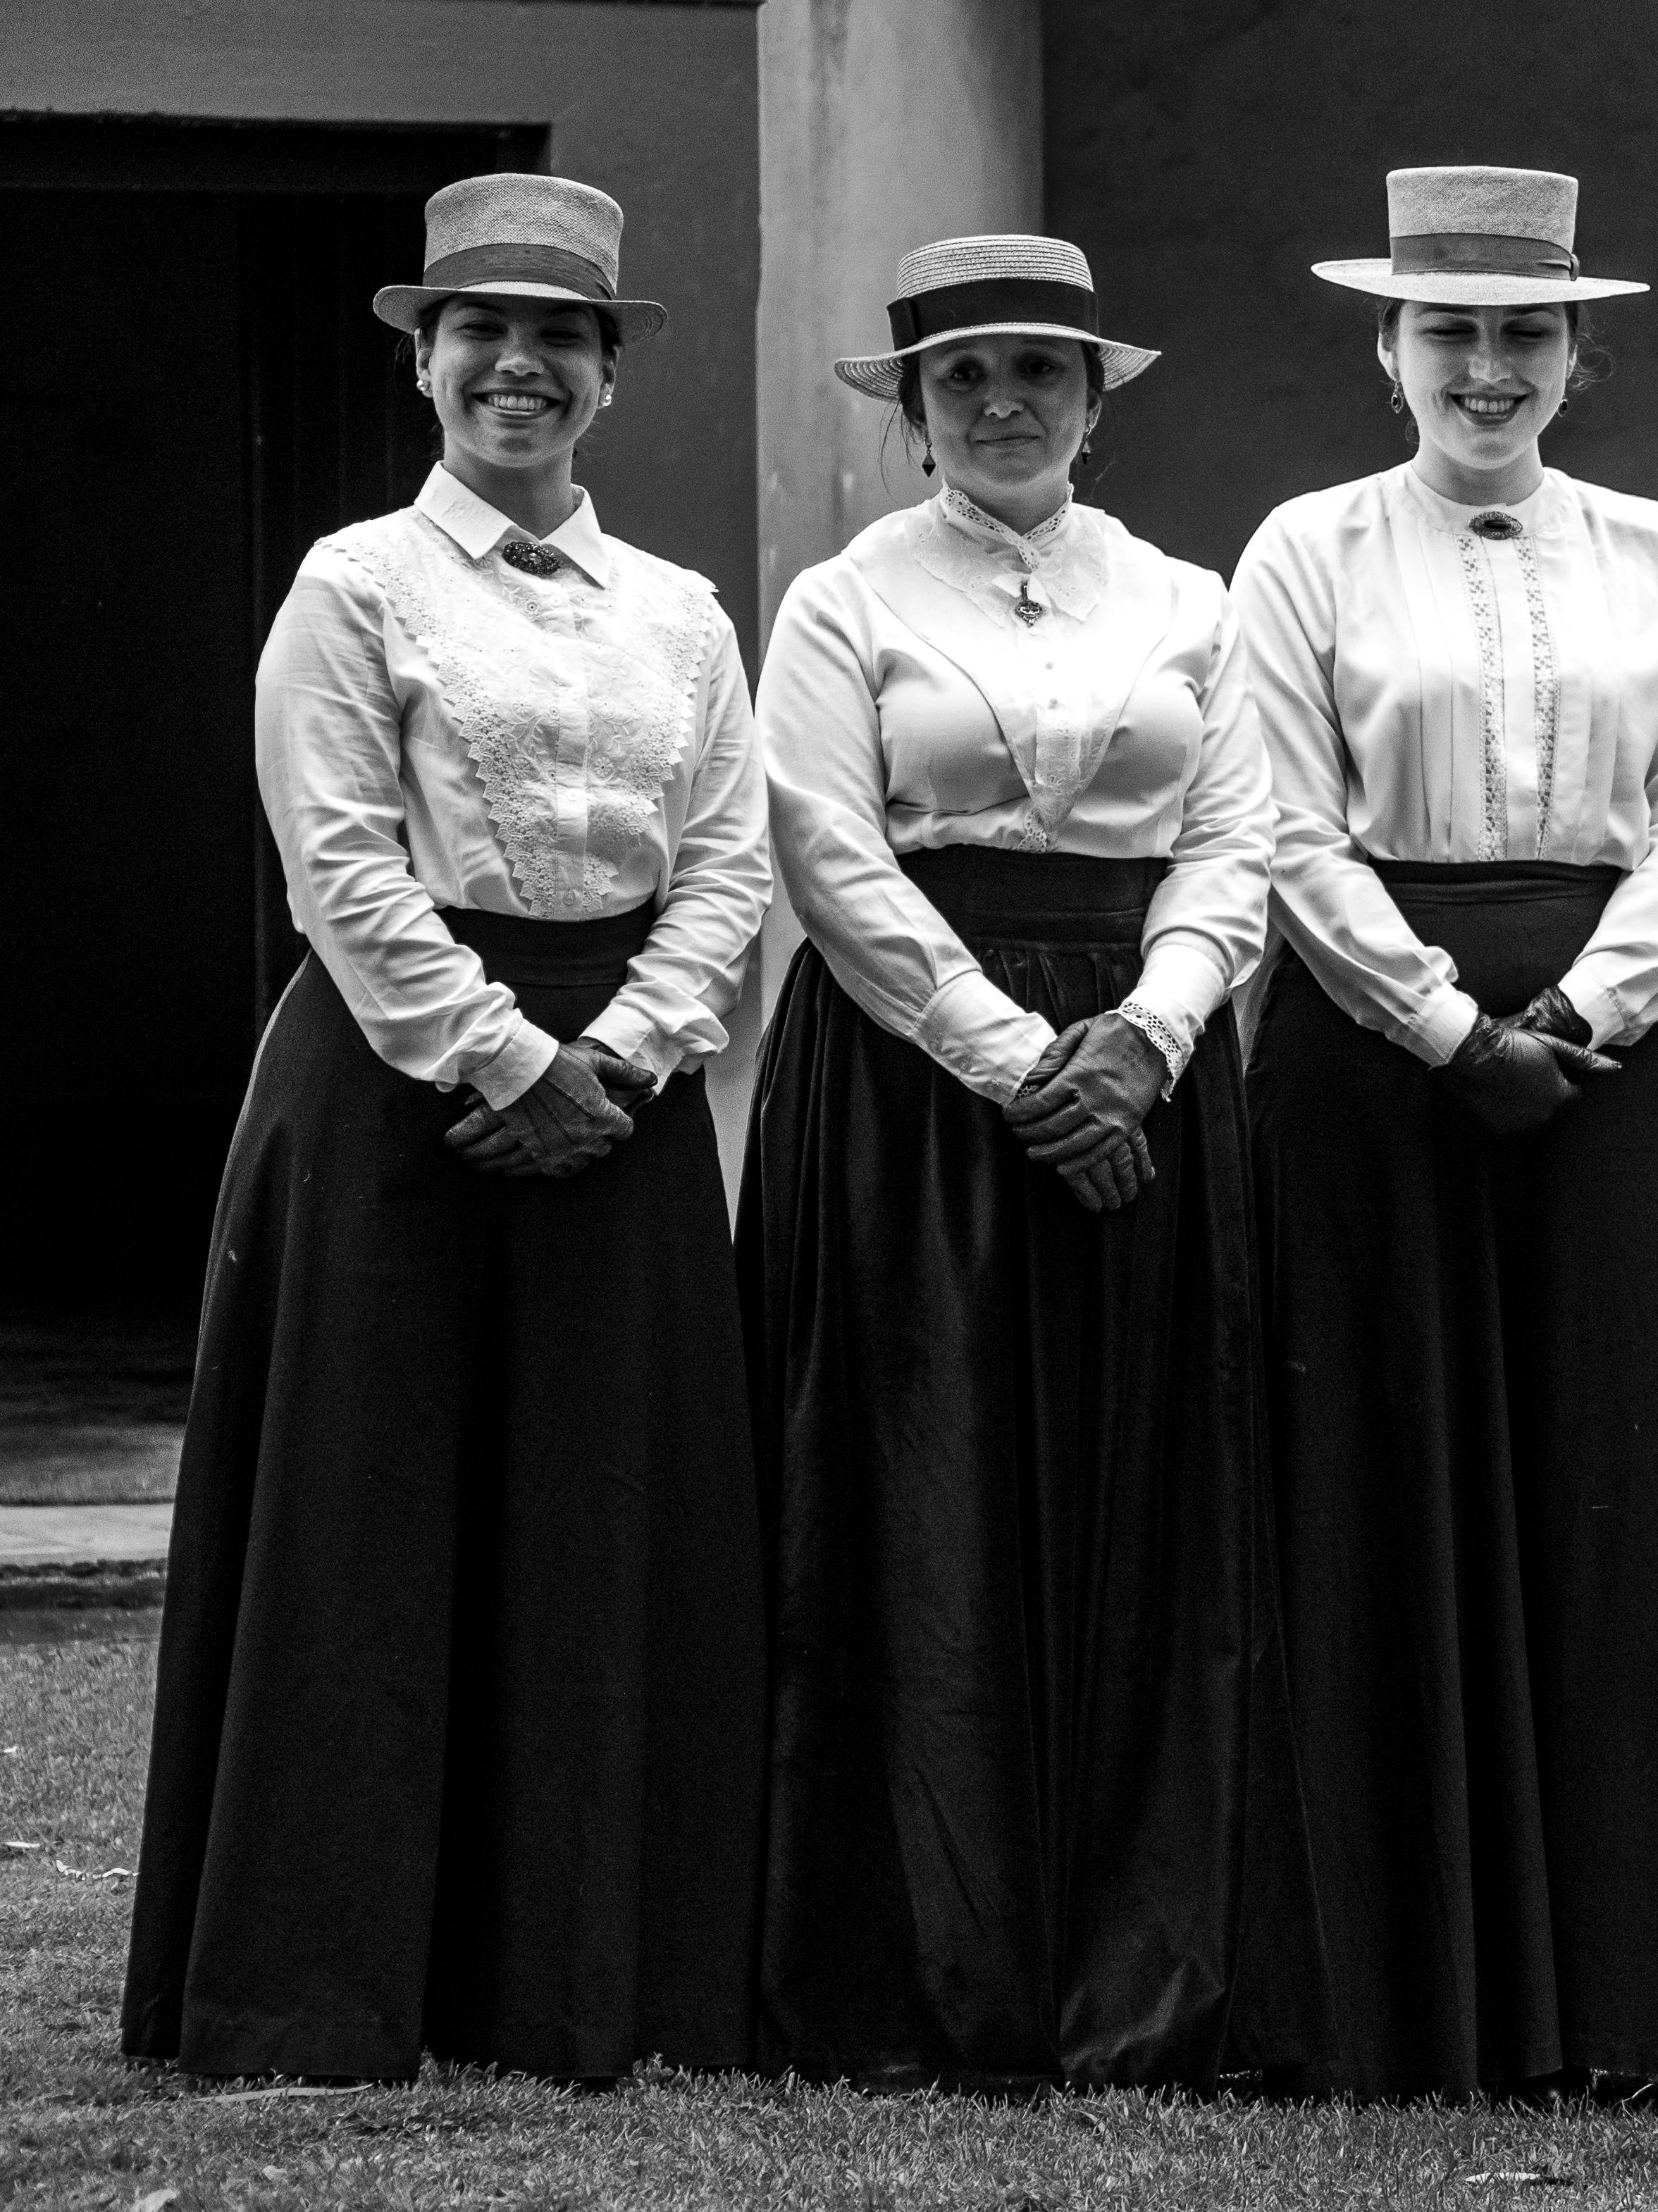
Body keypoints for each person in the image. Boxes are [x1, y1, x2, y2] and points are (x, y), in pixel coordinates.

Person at [126, 173, 774, 2080]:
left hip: (628, 1105)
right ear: (423, 358)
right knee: (372, 1518)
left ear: (606, 374)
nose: (522, 365)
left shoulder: (684, 613)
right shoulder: (354, 583)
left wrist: (634, 1054)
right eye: (482, 330)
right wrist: (504, 1061)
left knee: (606, 1506)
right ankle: (329, 1976)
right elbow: (337, 861)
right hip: (401, 1094)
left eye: (562, 334)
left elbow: (728, 865)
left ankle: (595, 1969)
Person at [1214, 165, 1658, 2095]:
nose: (1488, 366)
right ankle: (1387, 1984)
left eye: (1523, 333)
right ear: (1388, 351)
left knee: (1609, 1482)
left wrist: (1592, 1012)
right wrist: (1445, 1023)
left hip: (1605, 1060)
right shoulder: (1302, 547)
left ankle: (1630, 1988)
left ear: (1579, 355)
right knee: (1377, 1482)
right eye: (1449, 331)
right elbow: (1285, 819)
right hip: (1373, 1059)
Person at [738, 237, 1291, 2087]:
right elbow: (828, 852)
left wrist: (1150, 1030)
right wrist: (1011, 1059)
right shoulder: (843, 602)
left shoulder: (1191, 600)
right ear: (911, 410)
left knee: (1152, 1489)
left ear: (1096, 398)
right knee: (924, 1485)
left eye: (1039, 370)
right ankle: (930, 1965)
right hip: (916, 1084)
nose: (1001, 403)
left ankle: (1149, 1960)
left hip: (1149, 1063)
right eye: (960, 374)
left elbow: (1238, 834)